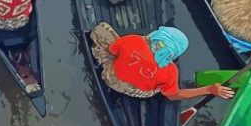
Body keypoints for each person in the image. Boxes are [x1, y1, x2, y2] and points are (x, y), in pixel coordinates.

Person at [91, 23, 235, 101]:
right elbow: (174, 96)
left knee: (102, 28)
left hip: (111, 75)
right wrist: (209, 89)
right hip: (136, 91)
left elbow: (112, 50)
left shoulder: (134, 39)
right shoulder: (171, 71)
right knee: (162, 85)